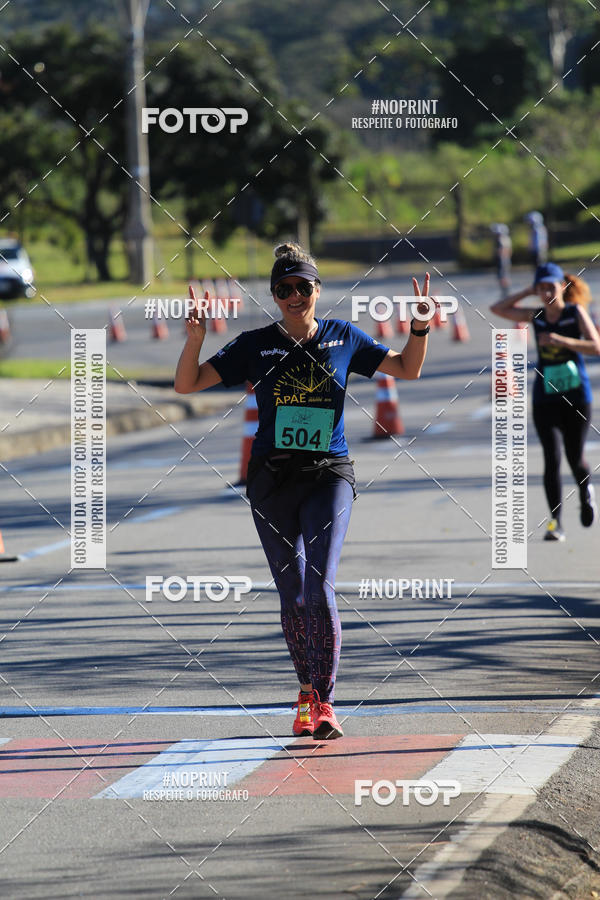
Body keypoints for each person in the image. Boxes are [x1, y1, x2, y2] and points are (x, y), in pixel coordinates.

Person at [175, 242, 434, 738]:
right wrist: (194, 339)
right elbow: (188, 384)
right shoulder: (255, 344)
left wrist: (418, 326)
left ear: (318, 289)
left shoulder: (342, 337)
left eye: (302, 287)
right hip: (272, 479)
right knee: (292, 595)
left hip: (328, 474)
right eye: (283, 289)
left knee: (319, 587)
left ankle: (326, 701)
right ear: (275, 296)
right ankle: (306, 693)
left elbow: (407, 368)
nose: (294, 296)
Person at [490, 262, 600, 541]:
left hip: (576, 396)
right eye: (542, 288)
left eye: (551, 286)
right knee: (551, 459)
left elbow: (596, 346)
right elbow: (497, 309)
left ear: (562, 286)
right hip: (545, 397)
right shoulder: (536, 315)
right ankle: (556, 523)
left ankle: (586, 494)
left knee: (575, 458)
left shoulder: (574, 313)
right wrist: (527, 289)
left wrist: (563, 341)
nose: (547, 292)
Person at [490, 223, 512, 298]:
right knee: (502, 277)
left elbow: (504, 251)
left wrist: (501, 258)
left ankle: (506, 293)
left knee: (503, 277)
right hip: (503, 260)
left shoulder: (502, 239)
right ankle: (505, 292)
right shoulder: (505, 239)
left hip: (503, 261)